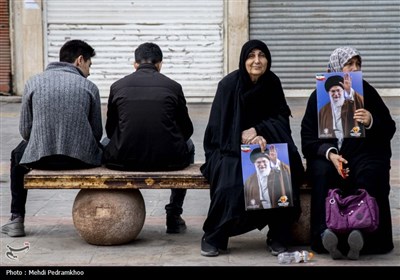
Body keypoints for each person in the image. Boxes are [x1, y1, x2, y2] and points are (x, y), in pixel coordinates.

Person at [200, 39, 305, 257]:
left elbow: (281, 122)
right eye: (251, 56)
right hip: (229, 148)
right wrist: (243, 138)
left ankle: (278, 235)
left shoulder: (273, 83)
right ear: (243, 60)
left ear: (268, 59)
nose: (257, 61)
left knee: (284, 170)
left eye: (262, 55)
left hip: (268, 145)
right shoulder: (228, 86)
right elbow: (216, 130)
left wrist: (259, 132)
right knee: (230, 180)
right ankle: (215, 236)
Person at [301, 46, 396, 260]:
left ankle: (363, 236)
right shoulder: (318, 99)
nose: (354, 69)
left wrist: (371, 121)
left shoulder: (366, 93)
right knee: (322, 173)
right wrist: (330, 154)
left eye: (357, 64)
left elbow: (389, 128)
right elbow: (307, 139)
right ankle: (327, 234)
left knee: (370, 173)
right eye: (349, 64)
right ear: (335, 69)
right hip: (330, 156)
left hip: (363, 153)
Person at [1, 40, 103, 237]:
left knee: (17, 154)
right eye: (89, 65)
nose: (89, 72)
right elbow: (96, 133)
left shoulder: (32, 82)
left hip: (39, 159)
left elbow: (25, 130)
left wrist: (43, 142)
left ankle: (16, 219)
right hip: (81, 160)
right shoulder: (89, 87)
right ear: (79, 60)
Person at [102, 42, 194, 234]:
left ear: (135, 64)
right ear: (159, 64)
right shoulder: (174, 86)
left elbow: (110, 131)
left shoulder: (117, 86)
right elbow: (187, 130)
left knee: (104, 143)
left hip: (123, 161)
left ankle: (113, 212)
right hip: (171, 161)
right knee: (190, 145)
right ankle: (174, 215)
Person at [318, 74, 364, 140]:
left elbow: (360, 102)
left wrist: (349, 90)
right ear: (328, 92)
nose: (336, 94)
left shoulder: (351, 103)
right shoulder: (323, 110)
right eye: (333, 91)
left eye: (338, 90)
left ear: (343, 91)